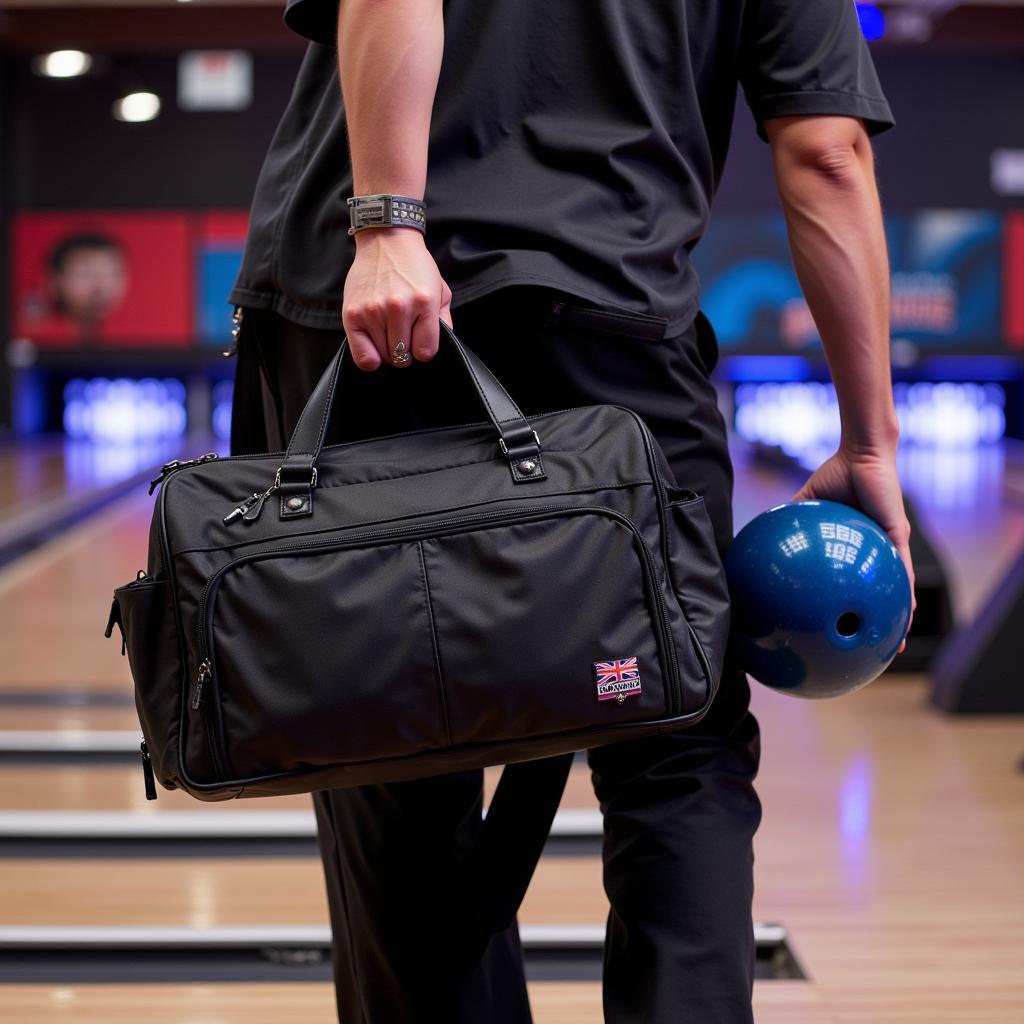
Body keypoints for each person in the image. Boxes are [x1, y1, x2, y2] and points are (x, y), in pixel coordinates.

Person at [227, 1, 916, 1021]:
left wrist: (385, 226)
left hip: (373, 316)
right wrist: (869, 440)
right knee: (676, 741)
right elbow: (826, 152)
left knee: (392, 742)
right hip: (604, 323)